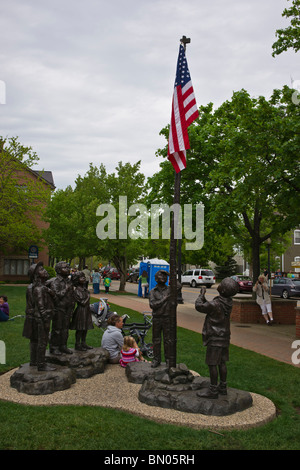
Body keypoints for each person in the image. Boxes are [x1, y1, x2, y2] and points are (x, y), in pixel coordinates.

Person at [195, 277, 239, 399]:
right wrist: (205, 299)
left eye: (222, 284)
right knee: (222, 362)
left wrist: (201, 294)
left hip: (214, 338)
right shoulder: (228, 302)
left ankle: (213, 390)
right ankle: (223, 387)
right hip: (224, 337)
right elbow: (208, 306)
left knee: (212, 363)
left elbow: (199, 306)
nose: (220, 285)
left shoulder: (216, 304)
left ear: (223, 291)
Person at [48, 261, 75, 355]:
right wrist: (66, 288)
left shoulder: (69, 281)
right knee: (57, 329)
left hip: (68, 308)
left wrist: (72, 307)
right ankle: (54, 347)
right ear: (59, 270)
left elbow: (72, 296)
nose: (68, 269)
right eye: (65, 268)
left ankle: (63, 346)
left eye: (68, 267)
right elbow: (57, 295)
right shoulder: (55, 281)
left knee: (65, 328)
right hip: (58, 309)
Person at [148, 270, 171, 368]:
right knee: (156, 340)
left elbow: (179, 285)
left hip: (167, 318)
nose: (164, 278)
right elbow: (153, 305)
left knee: (168, 340)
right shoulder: (153, 291)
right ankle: (156, 359)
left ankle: (168, 360)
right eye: (162, 276)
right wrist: (164, 299)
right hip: (157, 319)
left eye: (166, 276)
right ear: (156, 279)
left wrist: (170, 274)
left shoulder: (170, 289)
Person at [70, 271, 94, 351]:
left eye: (84, 277)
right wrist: (88, 296)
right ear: (77, 280)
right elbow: (83, 303)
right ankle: (77, 344)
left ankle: (83, 343)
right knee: (80, 329)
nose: (83, 278)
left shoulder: (84, 289)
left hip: (86, 310)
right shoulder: (77, 291)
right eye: (81, 277)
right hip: (81, 311)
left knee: (85, 328)